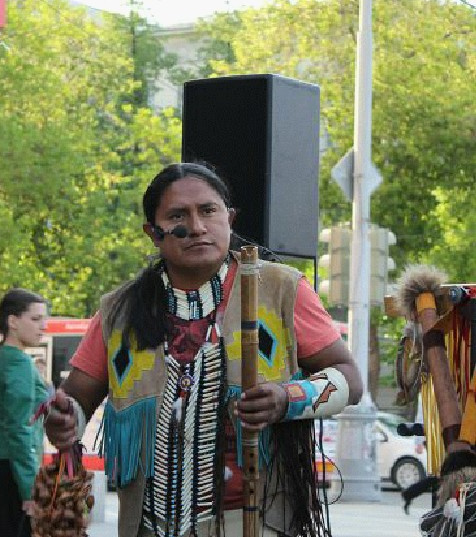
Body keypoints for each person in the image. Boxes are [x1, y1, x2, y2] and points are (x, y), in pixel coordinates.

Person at [45, 161, 363, 537]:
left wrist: (287, 398)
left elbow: (350, 379)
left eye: (208, 210)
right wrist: (65, 419)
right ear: (153, 232)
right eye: (177, 216)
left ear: (229, 218)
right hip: (150, 524)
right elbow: (77, 400)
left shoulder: (280, 289)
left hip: (255, 519)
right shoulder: (121, 312)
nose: (196, 227)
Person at [0, 288, 49, 537]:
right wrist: (29, 488)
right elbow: (18, 429)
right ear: (13, 322)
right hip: (11, 474)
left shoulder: (1, 357)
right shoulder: (18, 362)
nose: (43, 326)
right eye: (35, 319)